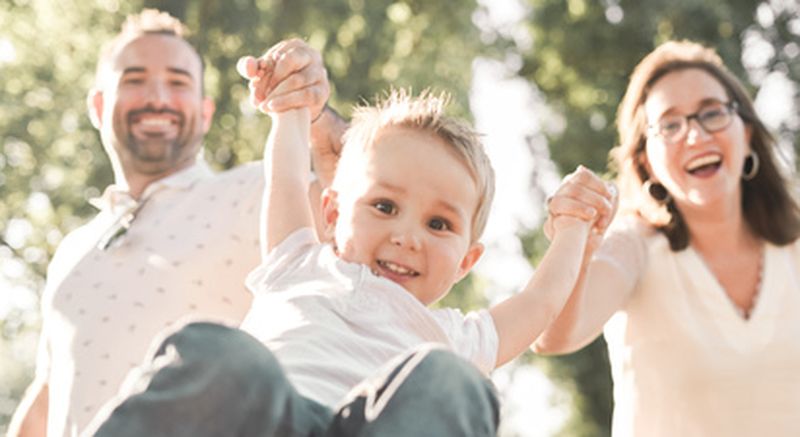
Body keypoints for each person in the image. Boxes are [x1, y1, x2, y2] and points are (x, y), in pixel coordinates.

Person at [82, 81, 616, 435]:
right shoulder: (298, 261)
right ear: (332, 214)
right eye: (384, 206)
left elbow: (541, 301)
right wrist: (291, 107)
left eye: (439, 224)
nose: (407, 236)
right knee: (217, 350)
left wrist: (574, 227)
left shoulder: (456, 338)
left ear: (466, 262)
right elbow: (288, 176)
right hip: (269, 420)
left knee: (452, 383)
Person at [8, 9, 345, 437]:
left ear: (205, 113)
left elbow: (363, 212)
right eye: (134, 79)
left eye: (178, 82)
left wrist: (315, 117)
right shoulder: (71, 251)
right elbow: (48, 398)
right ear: (97, 105)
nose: (157, 97)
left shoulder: (257, 190)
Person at [534, 40, 800, 436]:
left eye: (711, 113)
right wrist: (577, 246)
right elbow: (554, 336)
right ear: (646, 162)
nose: (694, 136)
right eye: (670, 125)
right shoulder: (632, 246)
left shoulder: (793, 246)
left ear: (745, 132)